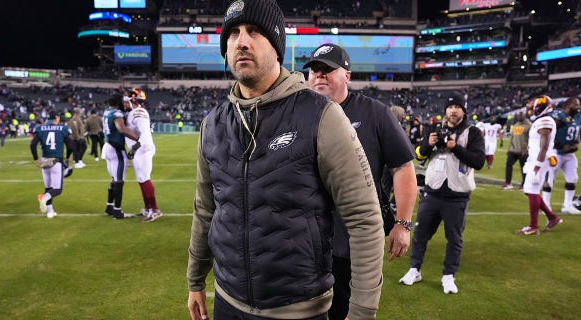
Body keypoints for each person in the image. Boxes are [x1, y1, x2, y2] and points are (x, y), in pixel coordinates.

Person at [187, 1, 384, 319]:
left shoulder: (321, 115)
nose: (242, 41)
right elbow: (206, 210)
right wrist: (195, 280)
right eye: (233, 33)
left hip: (298, 310)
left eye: (255, 31)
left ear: (277, 46)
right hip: (227, 302)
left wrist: (362, 310)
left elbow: (363, 218)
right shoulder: (213, 124)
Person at [303, 43, 417, 320]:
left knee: (347, 312)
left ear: (347, 76)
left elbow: (402, 166)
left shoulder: (374, 113)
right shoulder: (298, 114)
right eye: (315, 70)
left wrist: (402, 223)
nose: (320, 75)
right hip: (303, 243)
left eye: (328, 70)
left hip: (353, 243)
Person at [399, 93, 485, 294]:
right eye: (450, 106)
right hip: (433, 192)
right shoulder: (434, 128)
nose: (453, 110)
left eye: (457, 106)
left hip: (457, 195)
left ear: (463, 110)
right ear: (445, 110)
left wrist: (455, 148)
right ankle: (414, 269)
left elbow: (479, 161)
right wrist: (429, 144)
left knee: (454, 238)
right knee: (420, 234)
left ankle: (448, 276)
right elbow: (419, 154)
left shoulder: (473, 133)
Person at [516, 95, 564, 235]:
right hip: (537, 159)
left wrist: (537, 164)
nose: (532, 111)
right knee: (529, 190)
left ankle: (533, 226)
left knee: (532, 191)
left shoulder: (545, 120)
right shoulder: (542, 120)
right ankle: (552, 217)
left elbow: (544, 146)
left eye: (534, 108)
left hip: (540, 161)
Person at [124, 89, 163, 223]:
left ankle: (154, 210)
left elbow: (145, 133)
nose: (124, 102)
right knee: (141, 179)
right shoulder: (133, 112)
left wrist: (134, 148)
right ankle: (148, 208)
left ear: (133, 101)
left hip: (142, 149)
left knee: (145, 179)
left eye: (127, 100)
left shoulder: (138, 112)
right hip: (139, 149)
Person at [102, 94, 141, 219]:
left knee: (114, 179)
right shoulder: (117, 113)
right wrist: (138, 139)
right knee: (119, 181)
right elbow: (122, 129)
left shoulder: (107, 111)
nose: (125, 105)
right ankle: (117, 211)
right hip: (116, 149)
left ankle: (109, 206)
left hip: (108, 146)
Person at [31, 111, 75, 218]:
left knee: (48, 187)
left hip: (45, 161)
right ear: (57, 118)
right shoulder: (63, 129)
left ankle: (50, 210)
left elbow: (32, 145)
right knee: (57, 189)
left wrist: (36, 159)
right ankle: (44, 198)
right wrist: (68, 157)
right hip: (56, 161)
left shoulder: (40, 128)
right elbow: (70, 146)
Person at [541, 97, 581, 214]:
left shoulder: (577, 117)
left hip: (569, 154)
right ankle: (546, 205)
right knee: (549, 179)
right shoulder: (559, 116)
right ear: (568, 105)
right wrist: (560, 145)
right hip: (556, 153)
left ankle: (567, 205)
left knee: (572, 178)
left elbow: (577, 133)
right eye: (576, 105)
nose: (578, 107)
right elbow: (549, 132)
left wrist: (575, 144)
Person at [503, 112, 531, 190]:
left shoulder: (529, 126)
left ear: (524, 116)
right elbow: (511, 138)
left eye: (520, 115)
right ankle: (508, 183)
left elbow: (531, 139)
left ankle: (524, 184)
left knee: (524, 168)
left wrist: (527, 149)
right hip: (513, 150)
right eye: (518, 115)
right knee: (508, 164)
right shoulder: (515, 125)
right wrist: (508, 149)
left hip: (523, 151)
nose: (519, 116)